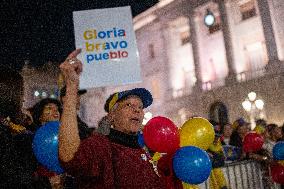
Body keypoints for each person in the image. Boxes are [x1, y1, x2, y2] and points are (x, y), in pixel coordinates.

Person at [58, 49, 182, 189]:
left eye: (140, 107)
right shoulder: (102, 147)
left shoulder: (146, 152)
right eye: (128, 105)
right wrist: (71, 85)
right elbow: (69, 157)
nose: (137, 110)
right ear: (112, 116)